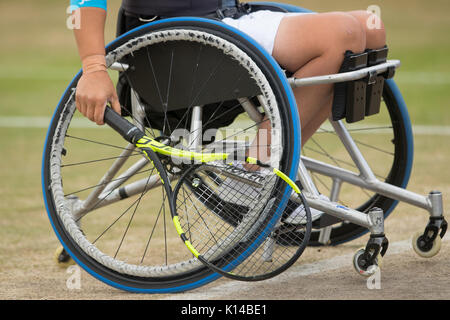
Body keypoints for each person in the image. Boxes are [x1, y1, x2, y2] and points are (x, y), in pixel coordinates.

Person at [70, 0, 386, 222]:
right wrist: (94, 67)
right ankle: (255, 172)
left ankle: (269, 163)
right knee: (343, 34)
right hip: (180, 43)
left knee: (369, 27)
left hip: (224, 18)